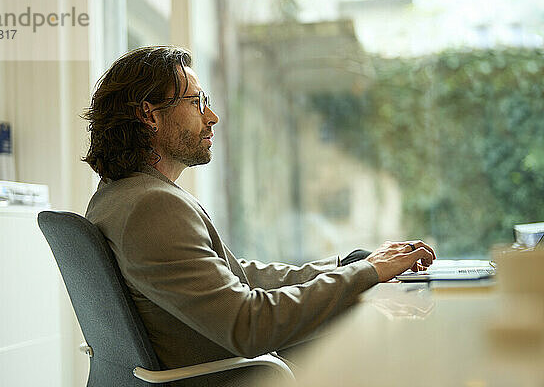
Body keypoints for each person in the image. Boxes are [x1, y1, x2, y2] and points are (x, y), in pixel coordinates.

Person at [83, 46, 436, 386]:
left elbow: (230, 275)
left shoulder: (115, 197)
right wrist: (367, 273)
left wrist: (344, 266)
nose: (212, 116)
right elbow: (248, 325)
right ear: (150, 115)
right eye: (196, 102)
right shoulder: (152, 208)